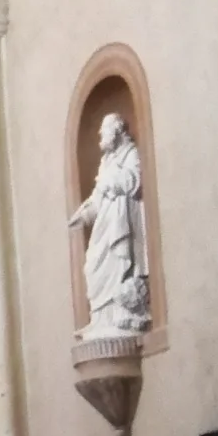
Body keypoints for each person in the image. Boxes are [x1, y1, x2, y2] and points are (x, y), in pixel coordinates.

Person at [69, 112, 151, 335]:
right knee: (92, 264)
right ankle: (100, 318)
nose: (99, 134)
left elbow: (133, 181)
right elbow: (96, 199)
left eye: (104, 129)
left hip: (120, 224)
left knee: (115, 266)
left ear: (116, 131)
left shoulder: (130, 154)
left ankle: (117, 315)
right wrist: (83, 215)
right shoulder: (106, 162)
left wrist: (111, 180)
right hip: (105, 225)